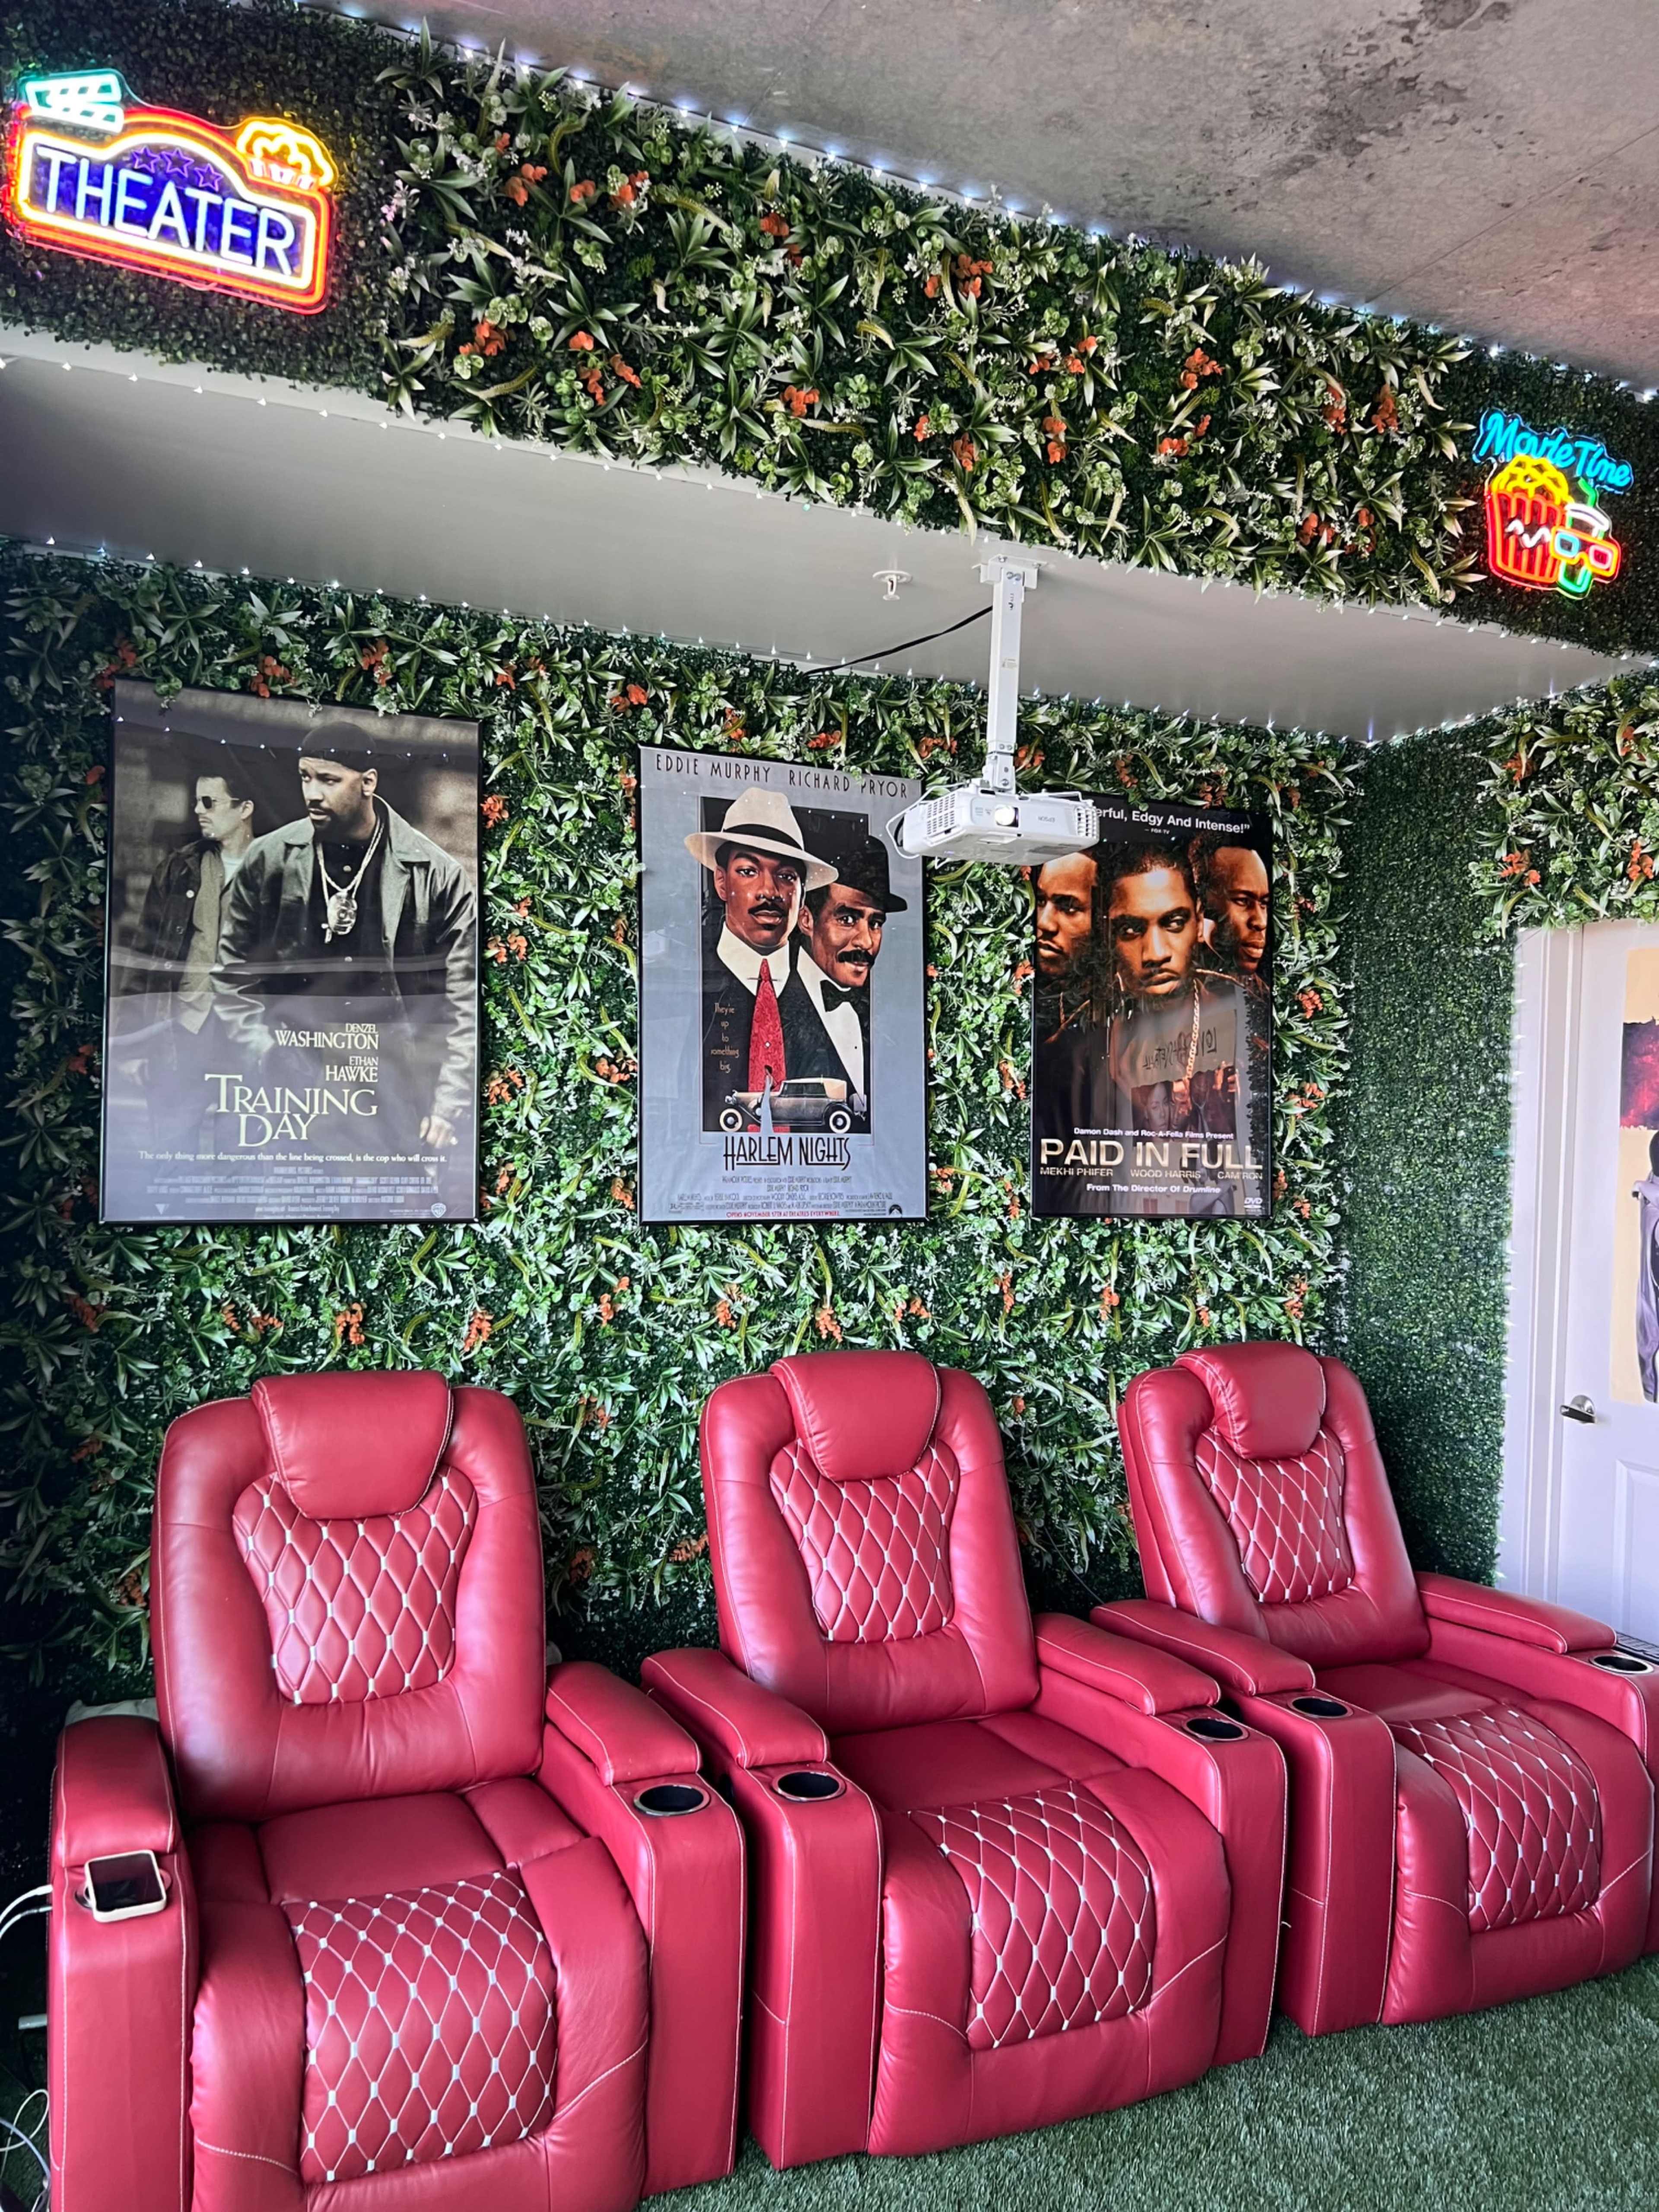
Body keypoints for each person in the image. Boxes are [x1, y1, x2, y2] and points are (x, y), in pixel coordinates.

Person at [215, 726, 477, 1172]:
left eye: (329, 780)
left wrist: (448, 1102)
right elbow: (232, 976)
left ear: (368, 782)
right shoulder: (270, 858)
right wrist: (265, 1054)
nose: (312, 793)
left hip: (396, 1081)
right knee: (289, 1206)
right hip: (294, 1081)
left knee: (394, 1208)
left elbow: (462, 1001)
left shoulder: (435, 873)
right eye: (305, 777)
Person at [1036, 841, 1257, 1217]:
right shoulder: (1071, 1053)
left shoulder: (1248, 1018)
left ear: (1199, 919)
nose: (1155, 952)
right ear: (1109, 935)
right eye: (1131, 930)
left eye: (1173, 923)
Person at [120, 763, 258, 1155]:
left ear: (244, 808)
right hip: (180, 1029)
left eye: (210, 802)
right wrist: (135, 1044)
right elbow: (145, 954)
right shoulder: (179, 869)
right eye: (197, 801)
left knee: (241, 1157)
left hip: (244, 1035)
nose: (199, 810)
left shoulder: (278, 872)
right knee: (171, 1151)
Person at [685, 788, 837, 1131]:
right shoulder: (687, 984)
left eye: (787, 877)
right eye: (749, 871)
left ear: (802, 896)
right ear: (721, 883)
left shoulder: (830, 998)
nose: (770, 891)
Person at [786, 833, 908, 1130]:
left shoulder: (895, 1014)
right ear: (806, 920)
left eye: (875, 923)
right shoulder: (769, 1003)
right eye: (847, 919)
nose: (866, 941)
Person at [1191, 832, 1270, 981]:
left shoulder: (1262, 992)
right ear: (1201, 907)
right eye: (1243, 901)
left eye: (1264, 903)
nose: (1261, 922)